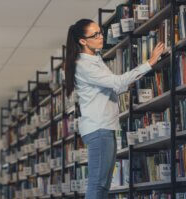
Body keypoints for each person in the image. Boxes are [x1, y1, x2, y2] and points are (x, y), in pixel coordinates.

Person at [64, 19, 164, 199]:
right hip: (99, 128)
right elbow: (117, 82)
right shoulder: (85, 65)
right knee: (98, 184)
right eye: (95, 35)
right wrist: (149, 63)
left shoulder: (96, 59)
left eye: (100, 32)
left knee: (103, 185)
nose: (101, 37)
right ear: (82, 41)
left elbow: (116, 87)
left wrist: (131, 80)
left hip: (104, 127)